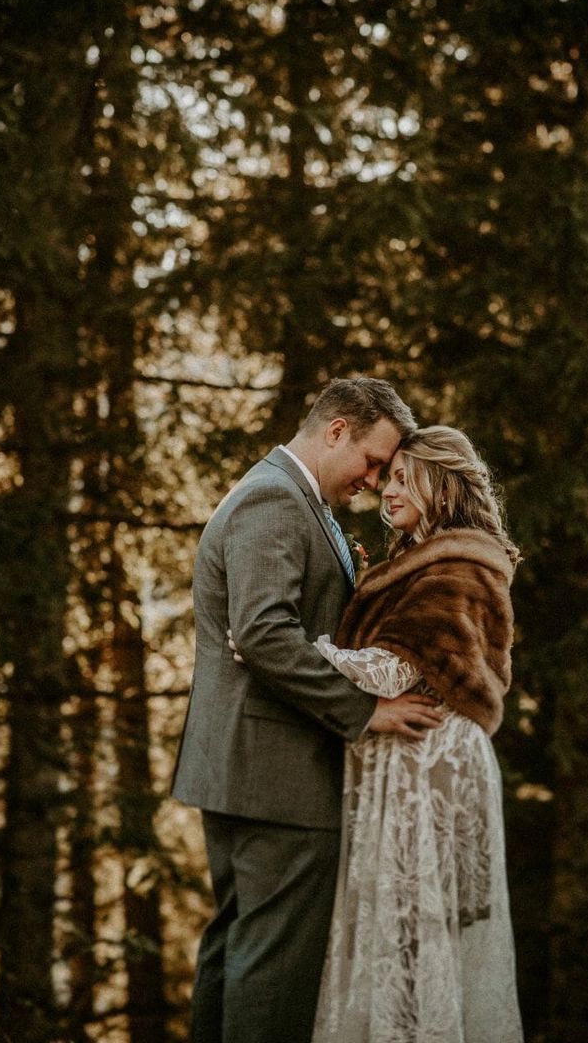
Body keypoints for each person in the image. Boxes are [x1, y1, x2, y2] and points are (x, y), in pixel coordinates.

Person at [170, 378, 444, 1043]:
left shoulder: (294, 501)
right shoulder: (274, 500)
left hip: (248, 767)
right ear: (336, 431)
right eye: (373, 462)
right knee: (275, 965)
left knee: (239, 948)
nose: (375, 481)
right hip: (278, 774)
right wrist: (363, 712)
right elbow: (264, 633)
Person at [309, 425, 525, 1043]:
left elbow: (399, 667)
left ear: (444, 483)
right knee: (396, 941)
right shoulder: (418, 558)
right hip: (402, 759)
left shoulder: (461, 562)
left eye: (405, 477)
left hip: (429, 761)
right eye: (388, 477)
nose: (387, 490)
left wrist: (291, 653)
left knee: (417, 938)